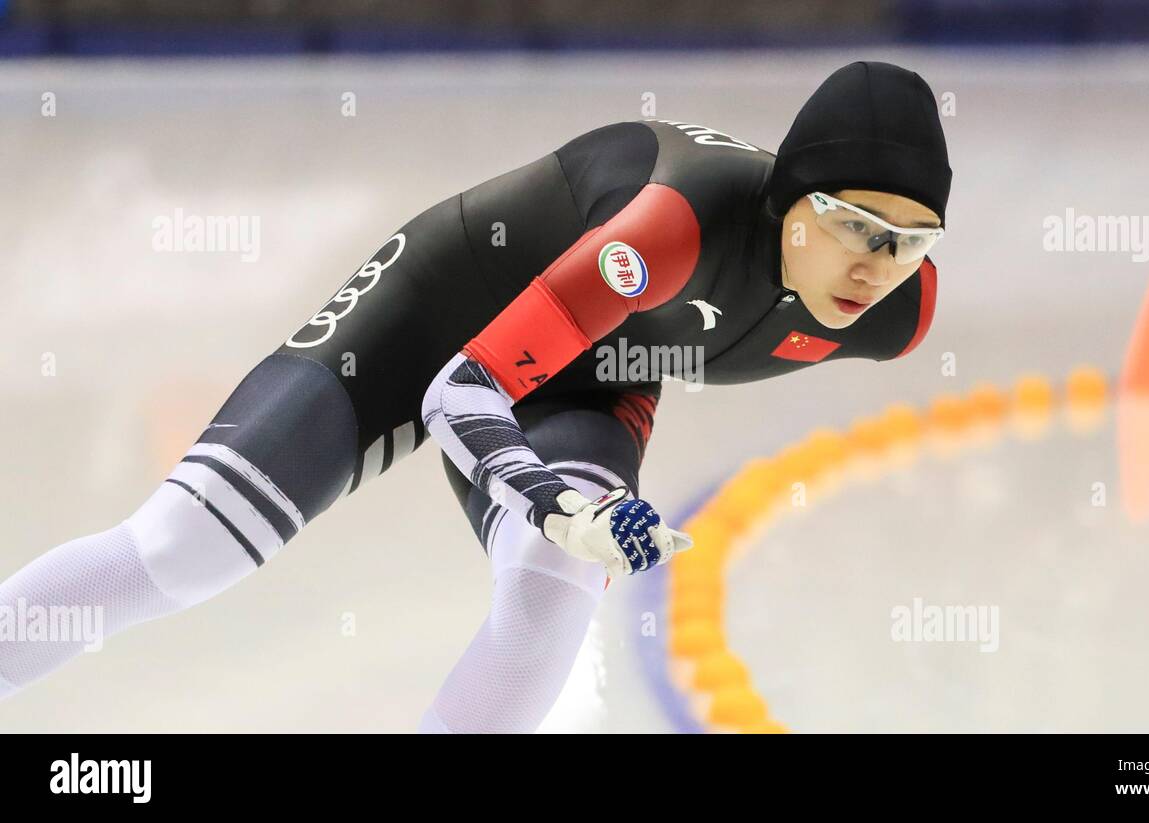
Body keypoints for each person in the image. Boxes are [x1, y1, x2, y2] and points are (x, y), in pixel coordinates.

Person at [0, 60, 952, 733]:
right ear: (791, 198)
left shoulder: (894, 313)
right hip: (438, 316)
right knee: (184, 547)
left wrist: (569, 522)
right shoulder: (672, 228)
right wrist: (555, 501)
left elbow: (555, 394)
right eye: (855, 224)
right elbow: (465, 388)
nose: (878, 265)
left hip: (588, 372)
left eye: (912, 241)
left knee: (550, 602)